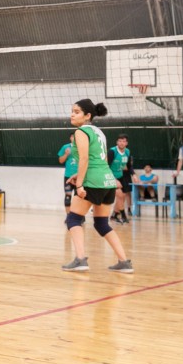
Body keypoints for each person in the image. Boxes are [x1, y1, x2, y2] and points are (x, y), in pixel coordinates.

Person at [61, 99, 133, 273]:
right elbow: (97, 159)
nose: (72, 114)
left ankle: (80, 259)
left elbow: (85, 159)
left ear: (87, 116)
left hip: (93, 182)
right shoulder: (99, 132)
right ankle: (124, 262)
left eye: (77, 112)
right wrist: (79, 174)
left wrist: (79, 185)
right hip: (107, 181)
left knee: (73, 219)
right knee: (101, 223)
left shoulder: (81, 131)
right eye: (72, 111)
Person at [108, 134, 134, 224]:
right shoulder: (112, 151)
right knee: (120, 195)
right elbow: (106, 166)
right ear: (117, 142)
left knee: (122, 198)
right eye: (119, 141)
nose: (121, 143)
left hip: (120, 176)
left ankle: (114, 215)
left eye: (123, 141)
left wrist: (133, 174)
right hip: (110, 176)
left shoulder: (127, 152)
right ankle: (123, 216)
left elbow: (129, 166)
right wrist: (113, 179)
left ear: (126, 143)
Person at [58, 134, 78, 214]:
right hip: (68, 175)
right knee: (68, 195)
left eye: (76, 137)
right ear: (70, 138)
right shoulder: (65, 147)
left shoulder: (83, 147)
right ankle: (68, 216)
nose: (74, 138)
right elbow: (60, 161)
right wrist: (66, 154)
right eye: (73, 136)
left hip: (79, 176)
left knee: (79, 198)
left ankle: (79, 216)